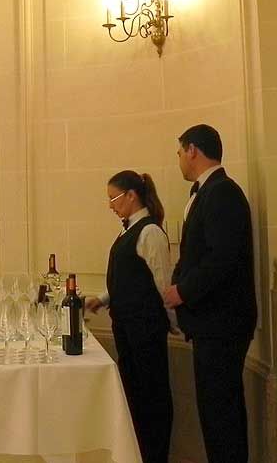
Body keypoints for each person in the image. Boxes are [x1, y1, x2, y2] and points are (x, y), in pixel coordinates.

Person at [167, 124, 257, 463]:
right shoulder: (206, 192)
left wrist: (182, 292)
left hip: (222, 324)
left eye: (179, 152)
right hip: (211, 325)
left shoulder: (222, 192)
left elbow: (222, 259)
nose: (178, 159)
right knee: (214, 413)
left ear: (192, 150)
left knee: (222, 415)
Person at [85, 170, 173, 463]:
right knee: (135, 396)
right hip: (127, 326)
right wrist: (104, 298)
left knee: (153, 398)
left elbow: (162, 284)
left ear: (132, 196)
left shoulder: (150, 232)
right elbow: (129, 277)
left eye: (114, 199)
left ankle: (155, 456)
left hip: (146, 329)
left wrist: (173, 323)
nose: (111, 205)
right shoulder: (128, 230)